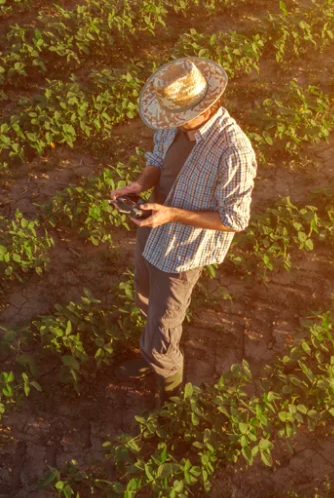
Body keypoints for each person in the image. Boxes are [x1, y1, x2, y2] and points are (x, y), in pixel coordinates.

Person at [109, 56, 257, 408]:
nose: (171, 123)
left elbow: (235, 219)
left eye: (179, 116)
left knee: (163, 327)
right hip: (153, 229)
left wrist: (172, 215)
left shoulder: (234, 150)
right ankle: (151, 358)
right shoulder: (174, 123)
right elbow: (158, 160)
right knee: (144, 298)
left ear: (205, 108)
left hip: (183, 249)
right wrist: (139, 185)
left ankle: (171, 392)